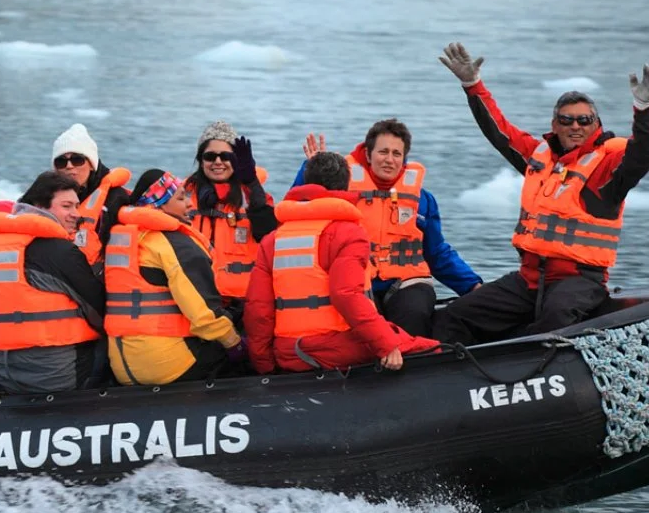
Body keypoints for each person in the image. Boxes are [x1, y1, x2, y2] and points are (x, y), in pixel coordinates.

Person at [432, 41, 649, 343]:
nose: (575, 126)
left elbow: (644, 154)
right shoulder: (539, 157)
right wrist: (472, 85)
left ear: (597, 124)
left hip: (579, 281)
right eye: (566, 120)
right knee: (455, 317)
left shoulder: (608, 165)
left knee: (551, 323)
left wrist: (643, 110)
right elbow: (500, 132)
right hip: (528, 279)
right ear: (555, 124)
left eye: (584, 120)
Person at [246, 153, 439, 373]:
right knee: (430, 349)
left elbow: (258, 309)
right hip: (334, 348)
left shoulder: (273, 240)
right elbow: (347, 295)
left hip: (288, 351)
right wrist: (386, 346)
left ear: (306, 182)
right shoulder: (348, 233)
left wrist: (265, 367)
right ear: (346, 186)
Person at [297, 119, 481, 338]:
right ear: (367, 154)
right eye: (383, 151)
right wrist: (312, 172)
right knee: (361, 317)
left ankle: (417, 363)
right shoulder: (339, 188)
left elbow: (437, 252)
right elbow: (301, 210)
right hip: (356, 282)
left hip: (408, 281)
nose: (389, 160)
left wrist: (472, 286)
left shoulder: (422, 200)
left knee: (413, 312)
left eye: (397, 154)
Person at [105, 170, 243, 386]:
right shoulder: (177, 244)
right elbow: (205, 316)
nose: (189, 204)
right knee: (238, 357)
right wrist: (236, 345)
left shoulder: (122, 238)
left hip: (122, 367)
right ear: (157, 205)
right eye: (180, 198)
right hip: (168, 366)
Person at [0, 170, 106, 394]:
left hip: (5, 373)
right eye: (67, 206)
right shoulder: (60, 251)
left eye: (76, 206)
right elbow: (100, 311)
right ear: (40, 206)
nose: (76, 214)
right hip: (53, 375)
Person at [183, 120, 277, 307]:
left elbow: (267, 231)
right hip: (192, 300)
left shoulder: (252, 196)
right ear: (201, 161)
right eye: (210, 156)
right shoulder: (182, 196)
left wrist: (250, 182)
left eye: (225, 156)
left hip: (242, 303)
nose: (218, 162)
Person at [50, 123, 131, 265]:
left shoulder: (116, 199)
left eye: (77, 159)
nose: (69, 166)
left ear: (91, 164)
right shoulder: (47, 198)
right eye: (61, 161)